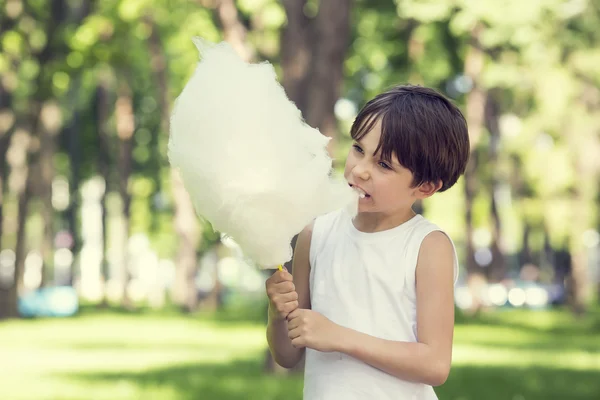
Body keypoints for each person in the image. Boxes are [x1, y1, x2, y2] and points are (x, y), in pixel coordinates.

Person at [265, 84, 470, 399]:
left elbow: (435, 364)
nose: (359, 170)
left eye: (384, 165)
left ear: (425, 187)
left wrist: (339, 337)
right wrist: (279, 314)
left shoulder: (427, 247)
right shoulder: (315, 234)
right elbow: (287, 355)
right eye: (359, 149)